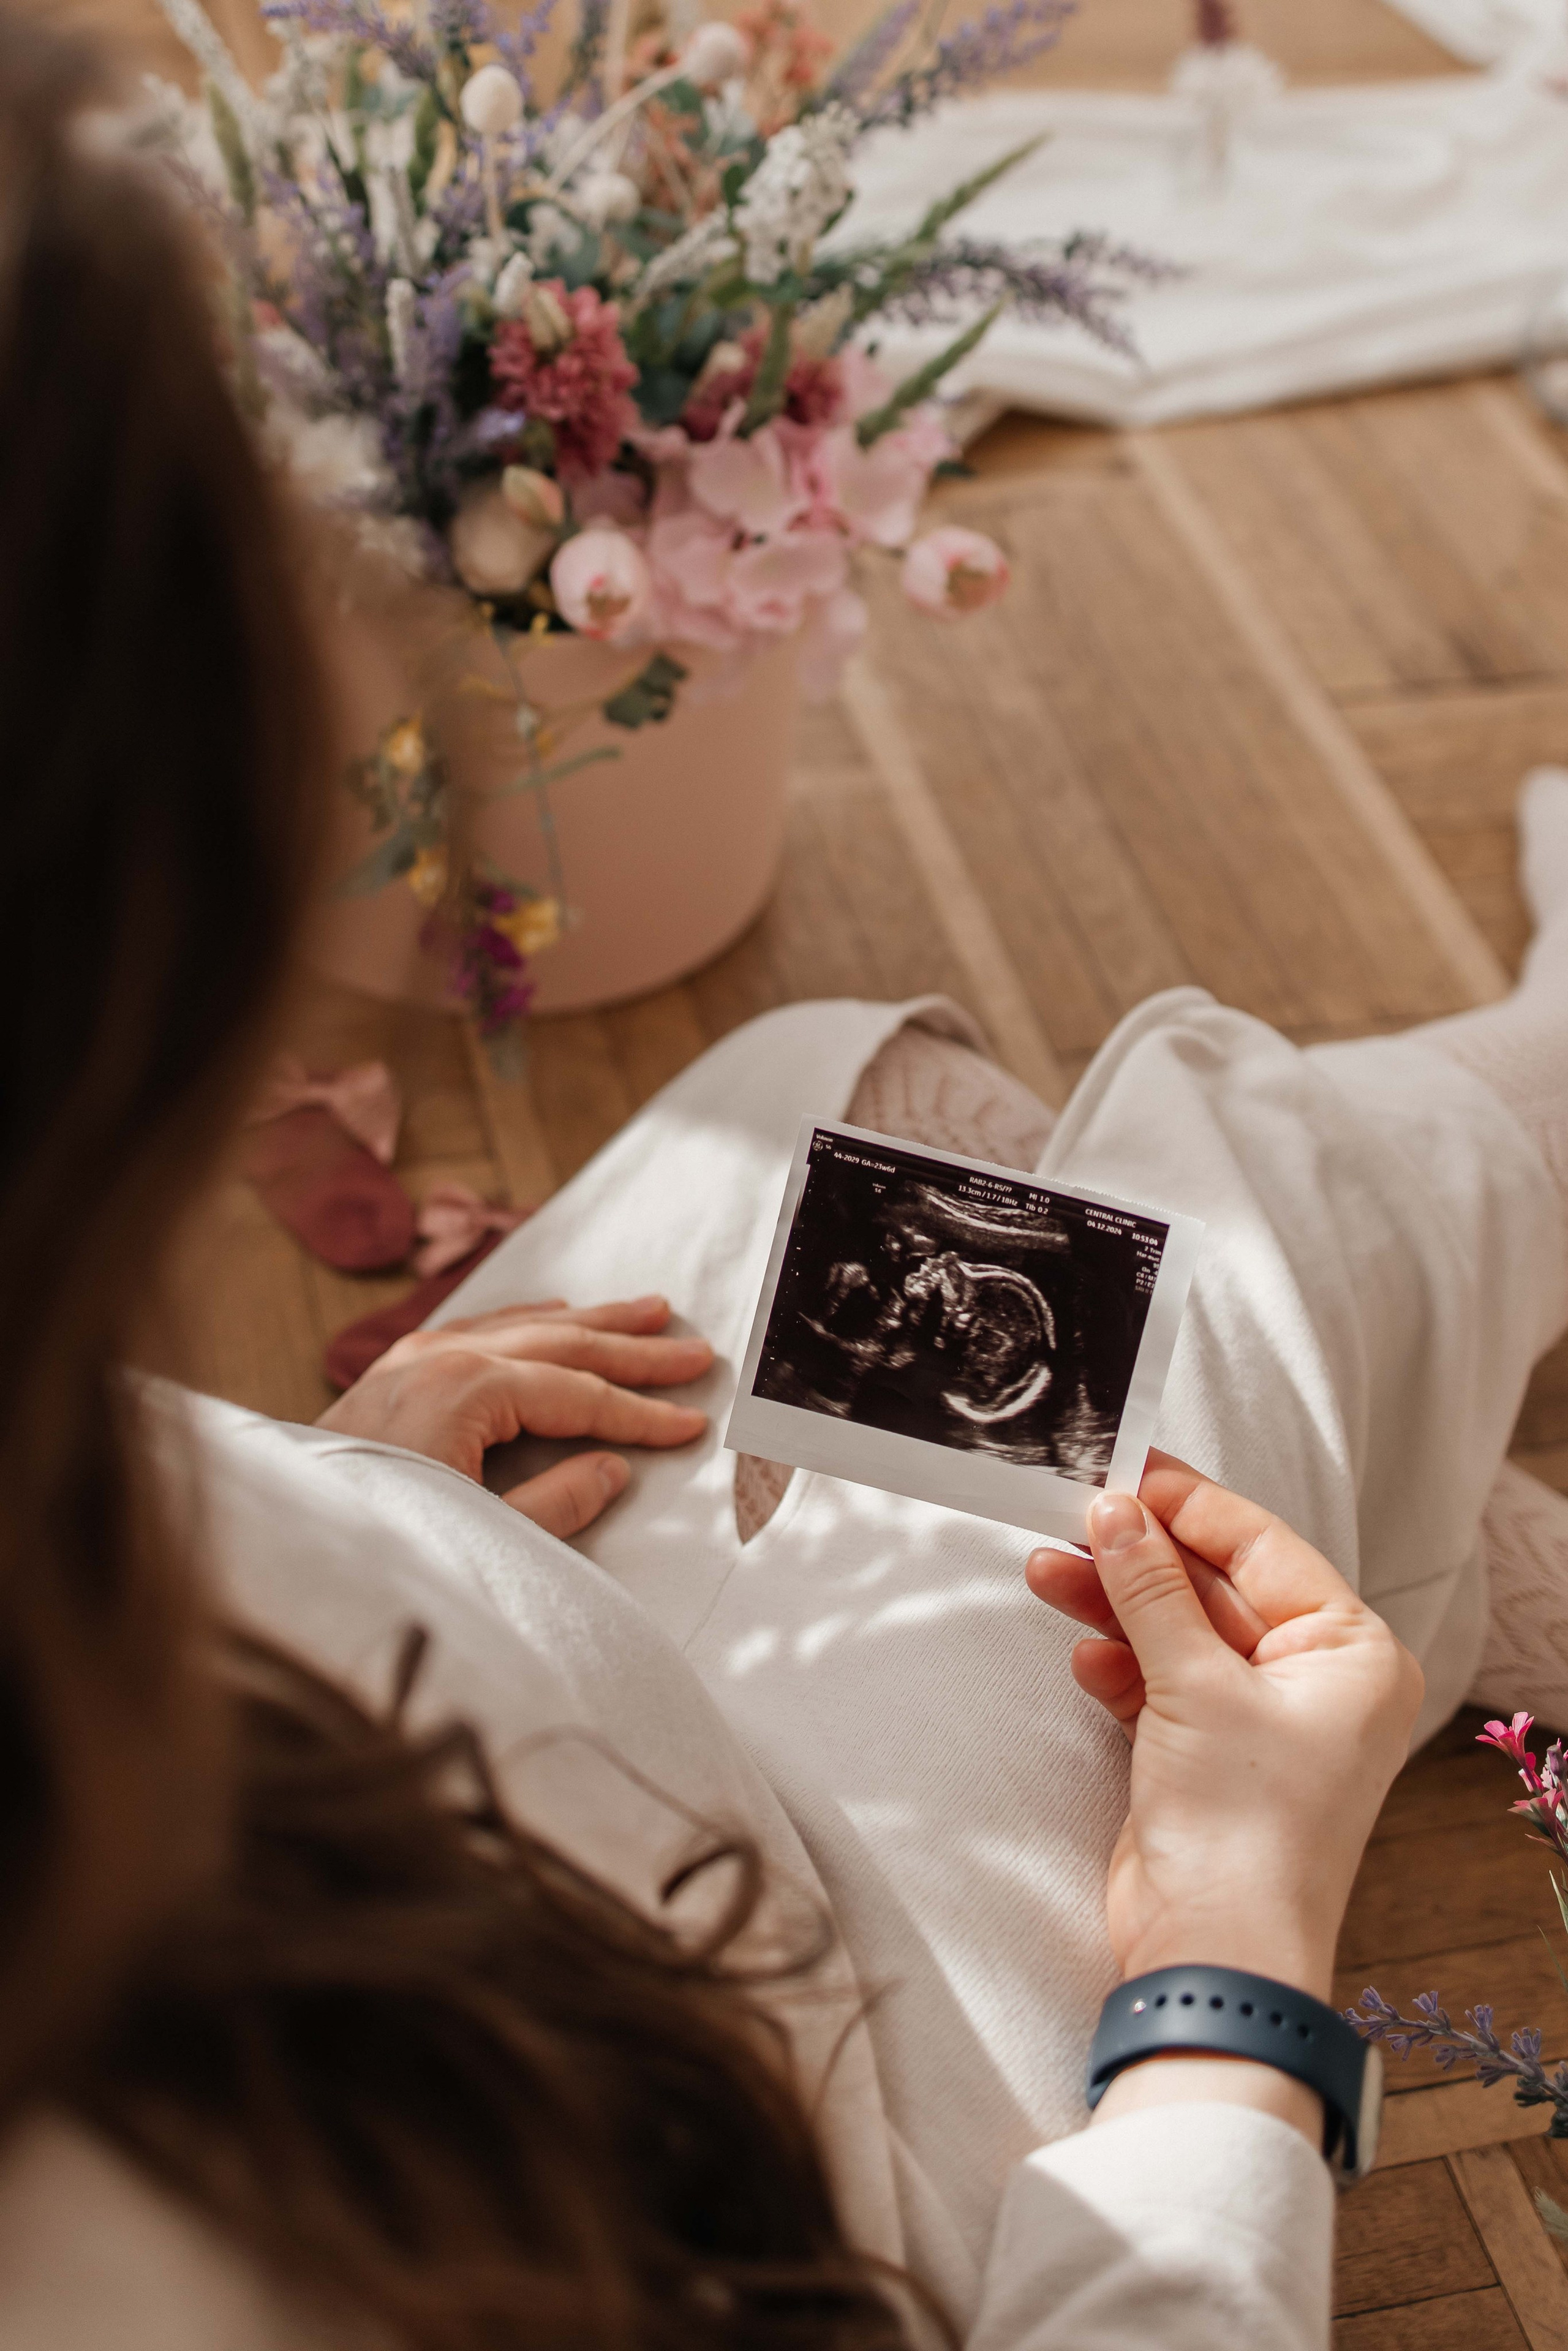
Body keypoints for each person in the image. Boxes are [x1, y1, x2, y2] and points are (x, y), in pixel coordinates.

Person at [1, 14, 1566, 2348]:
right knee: (1200, 1204)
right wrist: (1232, 1961)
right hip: (824, 2098)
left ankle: (1453, 1486)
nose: (363, 651)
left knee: (872, 1129)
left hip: (457, 1709)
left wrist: (291, 1514)